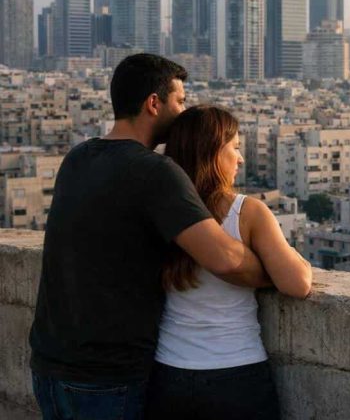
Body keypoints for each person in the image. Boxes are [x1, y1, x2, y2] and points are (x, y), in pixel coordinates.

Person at [30, 54, 270, 420]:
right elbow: (223, 258)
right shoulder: (154, 171)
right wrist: (272, 268)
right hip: (106, 375)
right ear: (153, 104)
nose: (184, 112)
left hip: (49, 365)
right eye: (180, 101)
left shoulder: (78, 158)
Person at [146, 106, 313, 420]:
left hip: (169, 372)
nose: (241, 158)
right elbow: (297, 284)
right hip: (235, 371)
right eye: (234, 147)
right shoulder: (247, 212)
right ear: (211, 154)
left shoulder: (157, 211)